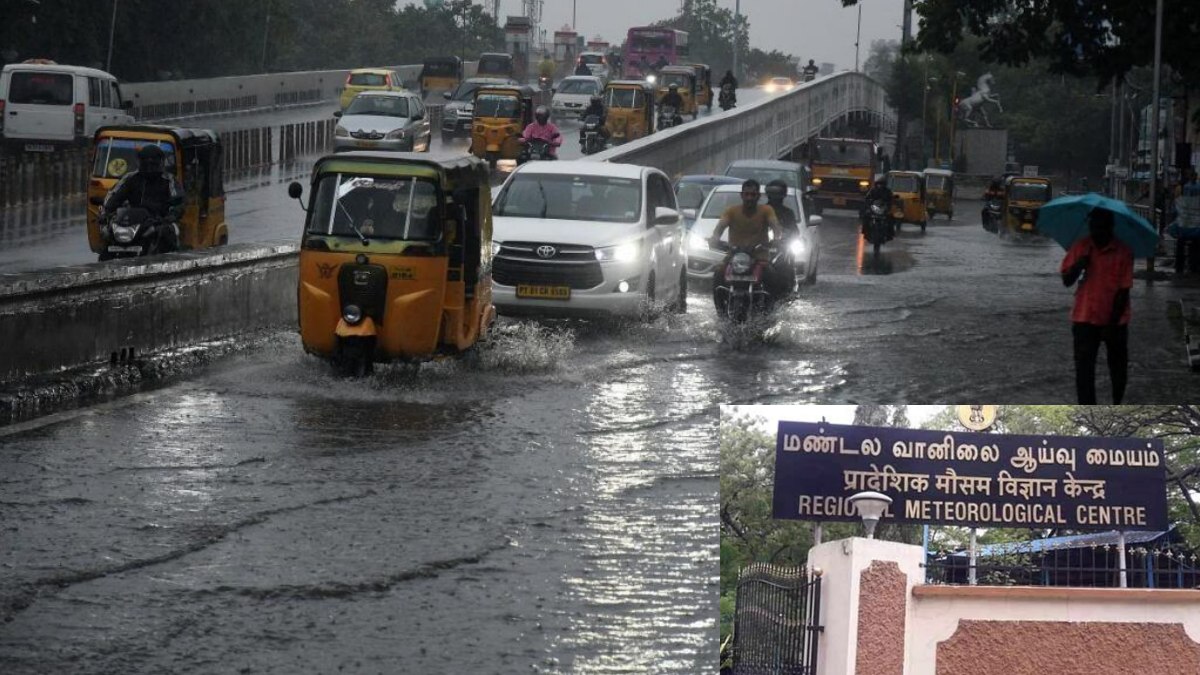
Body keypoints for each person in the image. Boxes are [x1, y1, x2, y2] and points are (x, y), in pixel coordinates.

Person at [1060, 208, 1133, 404]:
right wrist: (1079, 265)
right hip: (1084, 318)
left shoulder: (1123, 252)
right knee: (1084, 371)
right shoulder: (1081, 247)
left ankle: (1117, 403)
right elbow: (1066, 280)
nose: (1096, 232)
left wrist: (1111, 325)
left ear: (1110, 228)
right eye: (1093, 227)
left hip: (1116, 321)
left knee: (1118, 369)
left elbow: (1124, 291)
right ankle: (1087, 406)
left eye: (1101, 228)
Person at [707, 179, 787, 312]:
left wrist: (777, 239)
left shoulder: (766, 210)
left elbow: (776, 227)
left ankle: (770, 311)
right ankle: (720, 311)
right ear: (742, 195)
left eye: (753, 195)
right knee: (718, 274)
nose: (749, 198)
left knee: (772, 276)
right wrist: (714, 239)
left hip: (759, 257)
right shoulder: (731, 211)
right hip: (734, 257)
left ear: (758, 196)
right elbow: (719, 228)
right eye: (747, 194)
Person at [100, 144, 183, 250]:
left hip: (159, 221)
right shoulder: (130, 178)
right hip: (133, 222)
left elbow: (178, 200)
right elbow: (114, 196)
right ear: (139, 161)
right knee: (108, 236)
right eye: (145, 161)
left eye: (153, 162)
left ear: (161, 162)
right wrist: (106, 213)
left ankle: (171, 258)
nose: (149, 167)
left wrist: (172, 215)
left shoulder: (169, 180)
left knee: (170, 236)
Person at [765, 179, 799, 294]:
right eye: (772, 194)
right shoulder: (761, 211)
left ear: (783, 195)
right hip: (762, 247)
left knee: (787, 265)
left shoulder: (788, 213)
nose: (775, 197)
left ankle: (788, 288)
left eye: (777, 194)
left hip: (782, 248)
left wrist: (787, 238)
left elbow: (795, 231)